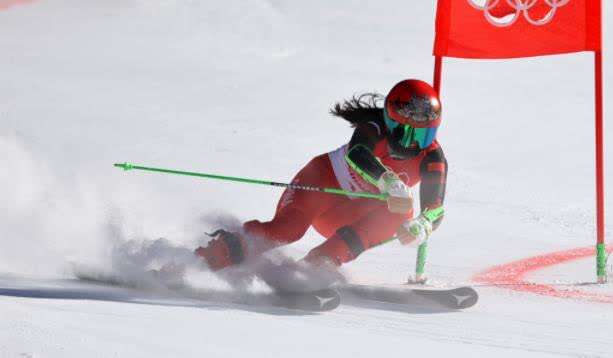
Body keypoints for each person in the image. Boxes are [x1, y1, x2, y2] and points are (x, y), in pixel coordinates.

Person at [195, 79, 447, 271]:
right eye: (408, 134)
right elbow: (358, 153)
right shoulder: (374, 127)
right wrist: (388, 180)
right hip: (322, 185)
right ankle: (218, 253)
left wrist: (422, 226)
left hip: (351, 214)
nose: (415, 144)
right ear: (391, 123)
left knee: (403, 212)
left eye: (425, 135)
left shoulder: (432, 158)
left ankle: (316, 265)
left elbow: (435, 208)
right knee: (288, 230)